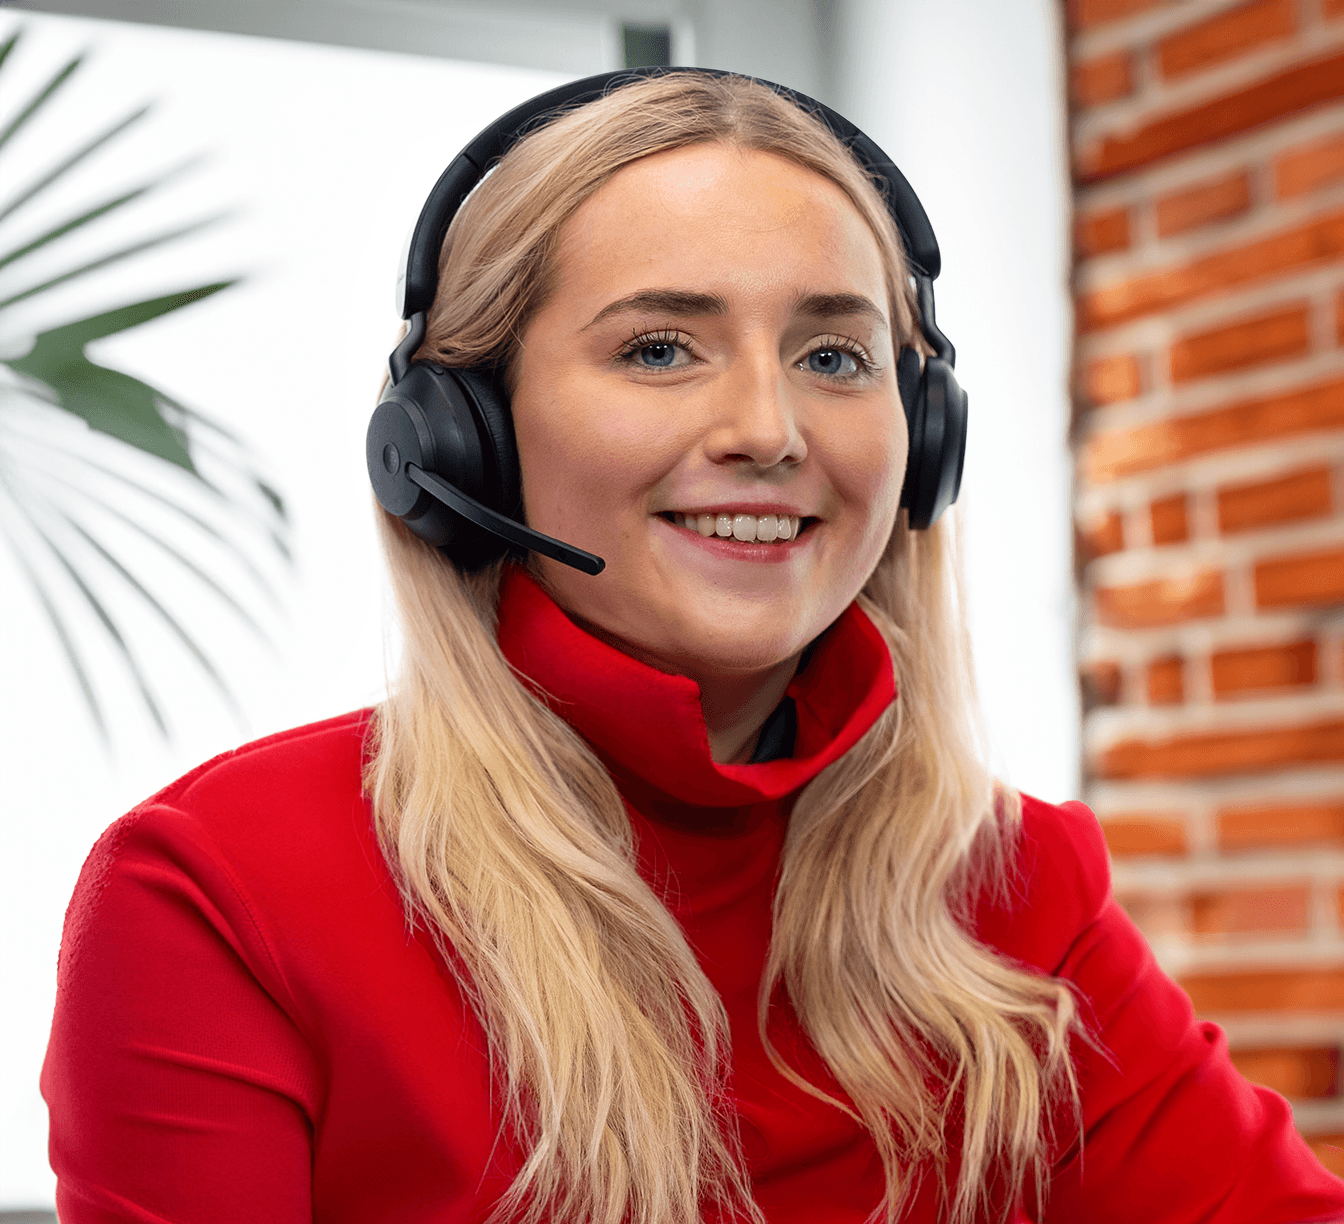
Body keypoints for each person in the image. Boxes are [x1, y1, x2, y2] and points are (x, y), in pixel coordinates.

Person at [42, 68, 1344, 1224]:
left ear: (924, 436)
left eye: (836, 354)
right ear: (460, 437)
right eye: (661, 348)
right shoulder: (220, 897)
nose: (769, 427)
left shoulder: (1013, 890)